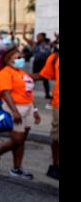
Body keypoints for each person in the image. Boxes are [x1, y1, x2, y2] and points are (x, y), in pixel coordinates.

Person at [0, 46, 40, 180]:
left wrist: (35, 110)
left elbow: (29, 93)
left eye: (21, 57)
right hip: (14, 108)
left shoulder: (22, 73)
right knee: (17, 139)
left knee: (21, 141)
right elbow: (5, 92)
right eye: (17, 57)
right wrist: (14, 111)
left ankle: (16, 169)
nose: (21, 59)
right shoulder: (5, 73)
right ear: (8, 60)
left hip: (28, 107)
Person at [34, 46, 59, 179]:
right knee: (56, 137)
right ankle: (56, 166)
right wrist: (20, 76)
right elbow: (43, 75)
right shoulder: (55, 57)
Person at [31, 32, 53, 99]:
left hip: (44, 62)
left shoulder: (48, 44)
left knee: (45, 78)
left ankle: (47, 94)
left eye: (39, 36)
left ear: (43, 37)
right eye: (37, 36)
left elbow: (54, 44)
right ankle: (29, 92)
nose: (38, 38)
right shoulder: (36, 44)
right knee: (33, 77)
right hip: (37, 62)